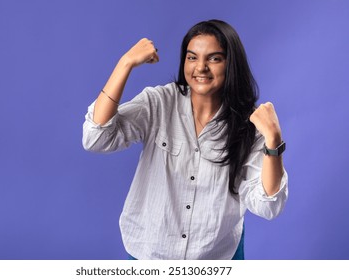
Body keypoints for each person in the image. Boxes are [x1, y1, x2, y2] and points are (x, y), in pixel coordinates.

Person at [82, 19, 288, 260]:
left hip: (217, 257)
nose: (200, 67)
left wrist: (273, 141)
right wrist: (125, 63)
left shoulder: (250, 124)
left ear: (231, 64)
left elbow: (268, 205)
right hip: (150, 254)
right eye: (192, 57)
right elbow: (96, 138)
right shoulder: (160, 102)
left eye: (214, 58)